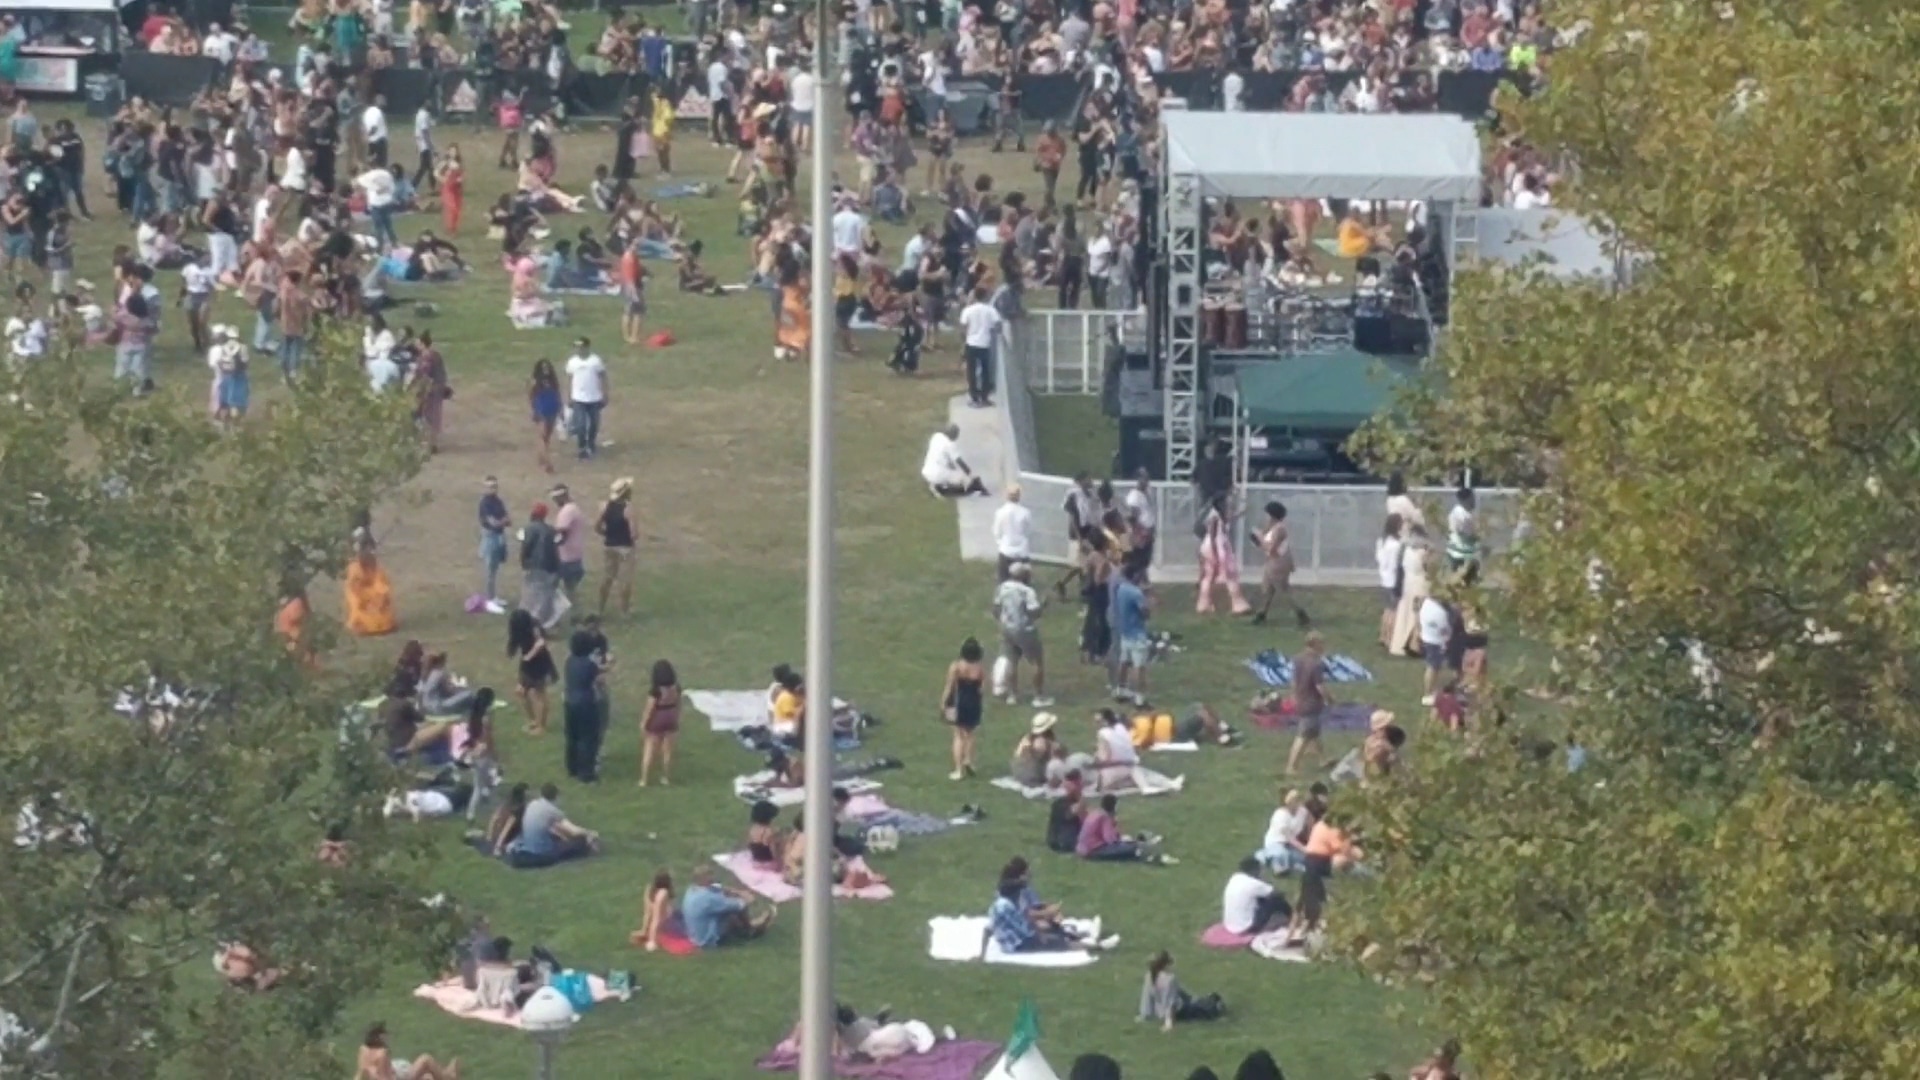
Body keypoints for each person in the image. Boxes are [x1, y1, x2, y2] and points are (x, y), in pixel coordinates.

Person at [993, 562, 1052, 708]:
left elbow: (996, 608)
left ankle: (1013, 695)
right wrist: (1043, 605)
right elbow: (1034, 612)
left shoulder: (1002, 588)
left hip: (1007, 628)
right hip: (1025, 630)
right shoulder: (1027, 591)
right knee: (1036, 662)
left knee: (1012, 661)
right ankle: (1038, 697)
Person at [506, 782, 600, 868]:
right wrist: (590, 833)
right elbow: (574, 831)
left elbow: (551, 827)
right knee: (579, 842)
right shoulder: (552, 810)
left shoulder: (533, 804)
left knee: (555, 837)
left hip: (526, 847)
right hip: (542, 853)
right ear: (556, 796)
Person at [682, 864, 776, 947]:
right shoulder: (708, 899)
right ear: (704, 879)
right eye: (710, 876)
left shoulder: (692, 889)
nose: (713, 878)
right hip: (707, 939)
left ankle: (747, 926)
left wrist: (739, 892)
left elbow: (718, 887)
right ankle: (749, 931)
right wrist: (748, 899)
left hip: (695, 935)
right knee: (734, 911)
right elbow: (739, 905)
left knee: (727, 900)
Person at [1251, 502, 1310, 628]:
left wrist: (1260, 538)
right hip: (1271, 561)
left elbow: (1272, 548)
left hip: (1278, 562)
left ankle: (1301, 613)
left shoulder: (1280, 529)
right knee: (1268, 589)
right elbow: (1264, 545)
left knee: (1283, 589)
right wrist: (1257, 540)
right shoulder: (1270, 528)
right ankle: (1262, 614)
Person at [1076, 793, 1173, 864]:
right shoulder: (1104, 817)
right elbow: (1111, 840)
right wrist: (1116, 828)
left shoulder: (1096, 813)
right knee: (1130, 847)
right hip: (1093, 851)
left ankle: (1143, 845)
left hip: (1082, 849)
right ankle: (1146, 848)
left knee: (1127, 845)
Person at [562, 630, 607, 782]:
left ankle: (572, 767)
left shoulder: (569, 661)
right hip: (586, 703)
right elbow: (599, 681)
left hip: (569, 701)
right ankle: (586, 773)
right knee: (588, 738)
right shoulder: (590, 664)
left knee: (572, 736)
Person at [1139, 951, 1225, 1030]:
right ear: (1166, 965)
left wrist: (1145, 1015)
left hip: (1160, 1011)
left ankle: (1208, 1000)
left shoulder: (1149, 975)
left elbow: (1147, 997)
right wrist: (1169, 1023)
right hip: (1180, 1011)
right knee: (1207, 1010)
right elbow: (1170, 1003)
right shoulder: (1170, 979)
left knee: (1197, 1002)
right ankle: (1216, 1003)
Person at [1286, 632, 1333, 775]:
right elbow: (1320, 686)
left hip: (1301, 699)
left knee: (1314, 733)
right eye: (1321, 643)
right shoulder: (1316, 663)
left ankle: (1322, 759)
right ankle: (1291, 767)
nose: (1323, 646)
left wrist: (1294, 696)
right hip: (1311, 702)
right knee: (1303, 735)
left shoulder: (1298, 659)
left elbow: (1294, 681)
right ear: (1315, 644)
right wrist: (1329, 698)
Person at [941, 637, 987, 781]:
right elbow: (982, 688)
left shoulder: (956, 667)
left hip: (959, 702)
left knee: (958, 735)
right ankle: (969, 761)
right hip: (975, 702)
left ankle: (959, 770)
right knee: (970, 733)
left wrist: (943, 703)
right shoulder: (979, 668)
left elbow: (949, 687)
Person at [507, 609, 555, 735]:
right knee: (521, 692)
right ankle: (533, 720)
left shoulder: (534, 626)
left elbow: (541, 643)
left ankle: (541, 726)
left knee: (539, 694)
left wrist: (529, 655)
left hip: (540, 663)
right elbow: (514, 643)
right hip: (526, 664)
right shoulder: (518, 630)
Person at [353, 1022, 457, 1080]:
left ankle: (445, 1074)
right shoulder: (382, 1053)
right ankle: (448, 1077)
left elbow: (362, 1071)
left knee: (427, 1076)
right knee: (425, 1059)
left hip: (390, 1071)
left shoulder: (363, 1049)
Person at [596, 477, 638, 616]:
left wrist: (607, 533)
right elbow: (634, 533)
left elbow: (597, 526)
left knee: (607, 578)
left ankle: (600, 607)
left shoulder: (606, 506)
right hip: (625, 547)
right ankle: (624, 610)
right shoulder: (628, 509)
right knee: (625, 580)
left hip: (609, 545)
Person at [345, 528, 397, 636]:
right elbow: (355, 589)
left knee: (382, 600)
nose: (369, 553)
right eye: (365, 550)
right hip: (362, 601)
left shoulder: (377, 567)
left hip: (376, 601)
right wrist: (368, 597)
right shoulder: (354, 568)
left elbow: (382, 584)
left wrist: (381, 595)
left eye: (370, 550)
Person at [1112, 566, 1152, 704]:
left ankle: (1120, 689)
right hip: (1137, 634)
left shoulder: (1121, 589)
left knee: (1124, 662)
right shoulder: (1136, 593)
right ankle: (1139, 698)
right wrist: (1146, 598)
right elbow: (1145, 613)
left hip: (1125, 632)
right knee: (1139, 666)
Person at [639, 658, 681, 787]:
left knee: (649, 749)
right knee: (667, 751)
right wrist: (677, 718)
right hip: (670, 717)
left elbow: (649, 709)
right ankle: (666, 777)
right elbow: (678, 705)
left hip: (657, 718)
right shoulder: (676, 688)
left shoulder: (655, 691)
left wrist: (643, 723)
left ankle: (644, 780)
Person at [958, 286, 1002, 408]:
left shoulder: (968, 310)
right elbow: (998, 325)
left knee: (971, 371)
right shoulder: (990, 310)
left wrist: (963, 342)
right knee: (985, 371)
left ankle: (974, 397)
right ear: (985, 296)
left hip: (971, 343)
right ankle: (984, 397)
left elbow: (963, 328)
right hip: (985, 343)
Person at [564, 337, 608, 460]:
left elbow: (603, 377)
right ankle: (582, 447)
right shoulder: (572, 362)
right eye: (577, 347)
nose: (579, 349)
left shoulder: (595, 361)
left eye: (581, 347)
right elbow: (569, 379)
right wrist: (569, 395)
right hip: (578, 398)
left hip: (594, 397)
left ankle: (591, 443)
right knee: (581, 425)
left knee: (594, 423)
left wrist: (605, 394)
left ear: (587, 347)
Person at [1222, 858, 1290, 935]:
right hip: (1247, 927)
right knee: (1276, 900)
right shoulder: (1254, 883)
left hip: (1230, 925)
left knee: (1262, 897)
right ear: (1254, 870)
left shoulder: (1235, 877)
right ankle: (1290, 917)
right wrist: (1262, 879)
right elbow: (1277, 893)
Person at [921, 423, 988, 496]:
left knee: (950, 472)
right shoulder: (949, 444)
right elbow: (959, 461)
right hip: (938, 474)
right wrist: (970, 474)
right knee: (962, 479)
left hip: (926, 471)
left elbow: (949, 461)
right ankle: (940, 489)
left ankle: (939, 485)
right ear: (953, 434)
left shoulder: (936, 437)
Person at [476, 477, 511, 614]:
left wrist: (501, 521)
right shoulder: (485, 503)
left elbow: (508, 519)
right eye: (490, 486)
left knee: (496, 567)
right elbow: (492, 523)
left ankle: (494, 596)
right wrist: (502, 521)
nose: (493, 489)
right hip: (490, 536)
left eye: (494, 486)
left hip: (499, 536)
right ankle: (489, 599)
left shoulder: (498, 501)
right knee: (490, 569)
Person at [1258, 789, 1311, 874]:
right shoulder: (1280, 815)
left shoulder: (1303, 811)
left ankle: (1288, 862)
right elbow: (1288, 837)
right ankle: (1264, 856)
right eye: (1294, 799)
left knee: (1303, 858)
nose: (1297, 801)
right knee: (1282, 854)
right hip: (1276, 842)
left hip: (1290, 845)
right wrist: (1304, 848)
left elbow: (1310, 823)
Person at [992, 483, 1034, 582]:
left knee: (1004, 580)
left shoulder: (1000, 512)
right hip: (1022, 550)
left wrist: (1000, 543)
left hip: (1006, 550)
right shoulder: (1025, 512)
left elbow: (996, 531)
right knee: (1023, 580)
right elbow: (1029, 530)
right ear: (1019, 496)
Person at [1376, 513, 1406, 650]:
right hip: (1393, 580)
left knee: (1387, 610)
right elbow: (1395, 564)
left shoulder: (1382, 541)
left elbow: (1380, 559)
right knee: (1393, 611)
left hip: (1384, 579)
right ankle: (1389, 638)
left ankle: (1383, 635)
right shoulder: (1396, 545)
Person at [528, 358, 562, 474]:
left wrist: (560, 409)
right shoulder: (535, 381)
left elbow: (557, 395)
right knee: (542, 436)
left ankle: (541, 458)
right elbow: (531, 397)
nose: (546, 370)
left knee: (547, 437)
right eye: (543, 368)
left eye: (547, 367)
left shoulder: (553, 381)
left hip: (552, 409)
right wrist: (535, 410)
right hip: (541, 411)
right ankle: (548, 464)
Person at [1419, 593, 1452, 706]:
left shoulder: (1427, 604)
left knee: (1435, 667)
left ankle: (1432, 690)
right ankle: (1427, 693)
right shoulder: (1439, 612)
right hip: (1436, 641)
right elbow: (1445, 630)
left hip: (1428, 637)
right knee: (1433, 667)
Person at [1446, 488, 1480, 583]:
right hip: (1461, 552)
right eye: (1472, 498)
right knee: (1463, 578)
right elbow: (1467, 534)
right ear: (1467, 499)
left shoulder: (1459, 511)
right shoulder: (1462, 514)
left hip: (1457, 549)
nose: (1474, 501)